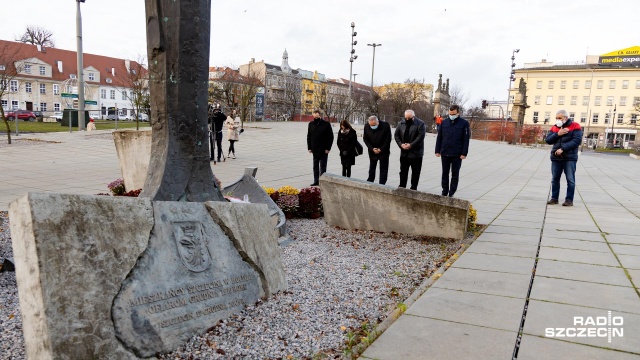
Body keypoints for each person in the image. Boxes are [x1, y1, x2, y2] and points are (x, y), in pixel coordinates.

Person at [545, 109, 583, 206]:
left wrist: (563, 148)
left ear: (565, 117)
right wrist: (558, 134)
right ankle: (554, 198)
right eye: (556, 118)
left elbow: (577, 141)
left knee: (570, 179)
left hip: (569, 157)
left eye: (560, 118)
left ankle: (569, 200)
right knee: (555, 179)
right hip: (556, 157)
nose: (558, 120)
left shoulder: (575, 126)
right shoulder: (555, 127)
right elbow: (548, 140)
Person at [435, 105, 470, 197]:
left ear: (458, 113)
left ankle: (452, 192)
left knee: (455, 174)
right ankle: (444, 191)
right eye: (450, 114)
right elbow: (439, 137)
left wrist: (464, 153)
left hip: (457, 154)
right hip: (445, 152)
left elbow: (466, 139)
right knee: (445, 173)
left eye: (453, 114)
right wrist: (437, 150)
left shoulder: (464, 123)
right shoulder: (444, 122)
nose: (451, 115)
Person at [394, 109, 426, 190]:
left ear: (413, 117)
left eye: (409, 118)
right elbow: (396, 135)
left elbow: (420, 137)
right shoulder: (401, 123)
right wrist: (401, 144)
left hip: (416, 153)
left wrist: (410, 145)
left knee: (415, 172)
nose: (407, 119)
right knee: (403, 171)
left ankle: (413, 188)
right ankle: (402, 186)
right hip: (404, 152)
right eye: (406, 118)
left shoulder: (420, 124)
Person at [307, 109, 334, 186]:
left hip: (323, 149)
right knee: (315, 166)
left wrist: (328, 148)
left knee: (323, 167)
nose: (315, 114)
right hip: (314, 149)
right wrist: (309, 147)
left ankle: (322, 182)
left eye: (317, 113)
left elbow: (330, 137)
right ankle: (316, 181)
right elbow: (309, 136)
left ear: (319, 114)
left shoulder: (326, 124)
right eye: (314, 113)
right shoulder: (311, 124)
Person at [363, 115, 391, 184]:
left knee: (383, 169)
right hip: (372, 151)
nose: (373, 127)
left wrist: (381, 149)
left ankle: (382, 183)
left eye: (374, 125)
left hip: (383, 151)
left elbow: (388, 139)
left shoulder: (385, 126)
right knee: (372, 167)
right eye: (371, 125)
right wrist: (372, 148)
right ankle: (370, 181)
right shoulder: (366, 126)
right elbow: (365, 139)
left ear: (378, 122)